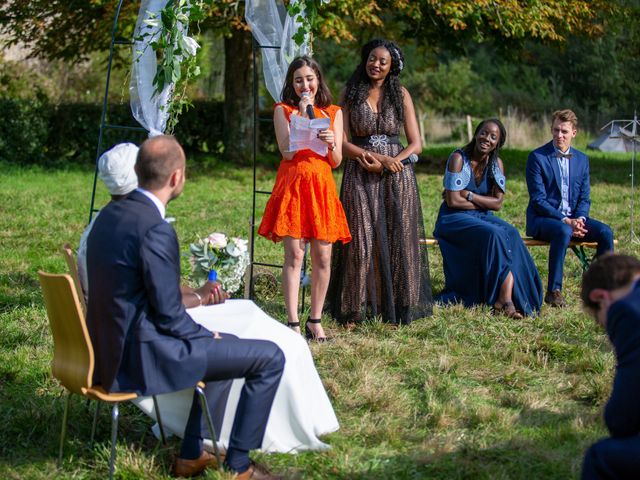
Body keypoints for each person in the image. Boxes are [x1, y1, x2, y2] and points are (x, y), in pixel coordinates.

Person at [86, 135, 285, 479]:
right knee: (269, 358)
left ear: (138, 171)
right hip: (142, 356)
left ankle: (191, 454)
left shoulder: (108, 216)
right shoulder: (154, 229)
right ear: (176, 178)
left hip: (107, 348)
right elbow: (169, 313)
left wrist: (210, 337)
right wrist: (208, 334)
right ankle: (240, 467)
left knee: (229, 348)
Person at [327, 39, 432, 327]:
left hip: (397, 176)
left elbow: (417, 143)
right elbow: (342, 141)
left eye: (382, 61)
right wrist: (373, 157)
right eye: (372, 59)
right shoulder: (350, 93)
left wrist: (393, 161)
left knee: (397, 237)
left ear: (391, 66)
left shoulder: (401, 94)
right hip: (359, 172)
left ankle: (396, 305)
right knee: (359, 239)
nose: (376, 64)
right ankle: (353, 307)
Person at [258, 56, 351, 341]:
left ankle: (315, 320)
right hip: (295, 184)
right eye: (298, 80)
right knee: (294, 255)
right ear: (292, 83)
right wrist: (301, 114)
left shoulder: (334, 113)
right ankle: (292, 323)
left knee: (323, 256)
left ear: (318, 80)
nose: (305, 85)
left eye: (309, 78)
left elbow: (336, 161)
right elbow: (286, 152)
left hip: (321, 186)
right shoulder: (283, 110)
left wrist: (331, 142)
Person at [433, 119, 543, 318]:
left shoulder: (496, 164)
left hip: (481, 216)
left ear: (498, 143)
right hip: (453, 219)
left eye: (494, 137)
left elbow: (498, 204)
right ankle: (504, 301)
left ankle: (509, 298)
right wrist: (484, 202)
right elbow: (452, 201)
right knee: (495, 234)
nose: (487, 139)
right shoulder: (458, 158)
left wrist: (470, 195)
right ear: (476, 134)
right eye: (484, 133)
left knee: (510, 232)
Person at [526, 109, 614, 308]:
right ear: (551, 130)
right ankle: (553, 291)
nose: (559, 135)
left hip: (574, 220)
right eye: (556, 130)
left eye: (564, 131)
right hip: (543, 220)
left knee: (605, 232)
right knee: (563, 230)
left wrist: (580, 219)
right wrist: (566, 220)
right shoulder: (537, 158)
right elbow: (538, 200)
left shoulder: (582, 159)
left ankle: (599, 287)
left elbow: (584, 197)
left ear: (574, 133)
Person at [580, 253, 640, 479]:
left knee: (601, 458)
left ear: (601, 298)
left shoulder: (627, 312)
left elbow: (621, 419)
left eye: (600, 320)